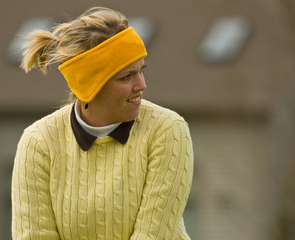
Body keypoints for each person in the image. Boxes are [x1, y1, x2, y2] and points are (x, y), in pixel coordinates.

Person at [11, 6, 194, 240]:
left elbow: (152, 235)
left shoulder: (167, 130)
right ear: (91, 87)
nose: (141, 85)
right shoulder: (38, 141)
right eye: (126, 77)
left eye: (141, 71)